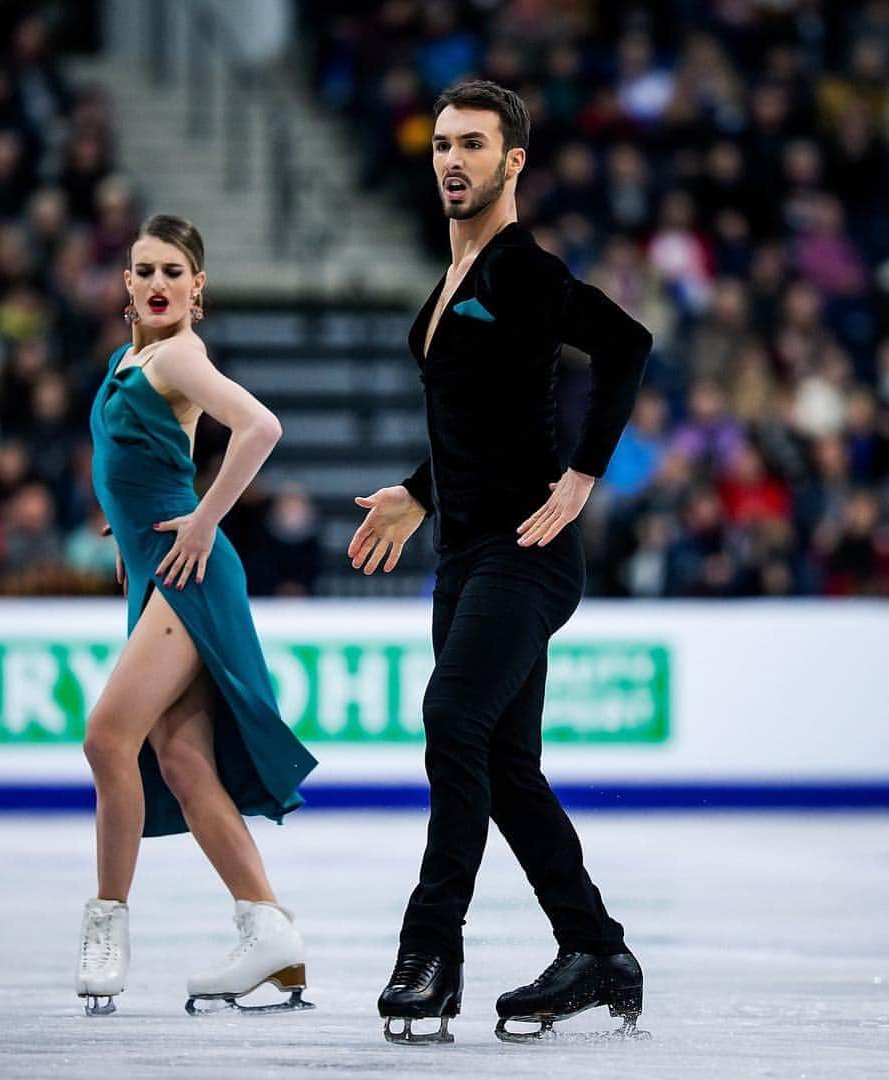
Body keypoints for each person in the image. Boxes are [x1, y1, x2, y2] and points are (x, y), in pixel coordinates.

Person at [348, 81, 652, 1045]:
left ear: (512, 161)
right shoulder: (449, 284)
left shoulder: (519, 269)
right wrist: (416, 489)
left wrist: (584, 475)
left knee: (450, 717)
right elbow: (475, 424)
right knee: (506, 763)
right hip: (465, 554)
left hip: (529, 554)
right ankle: (595, 949)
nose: (452, 159)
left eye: (473, 144)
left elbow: (627, 345)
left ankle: (430, 950)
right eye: (441, 143)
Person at [77, 214, 317, 1017]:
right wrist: (127, 523)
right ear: (126, 283)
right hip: (158, 568)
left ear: (197, 287)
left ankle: (107, 923)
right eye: (143, 270)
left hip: (191, 572)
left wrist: (207, 516)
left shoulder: (179, 353)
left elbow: (261, 427)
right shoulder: (130, 357)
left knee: (108, 737)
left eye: (172, 273)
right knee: (183, 766)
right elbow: (135, 456)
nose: (155, 284)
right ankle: (268, 929)